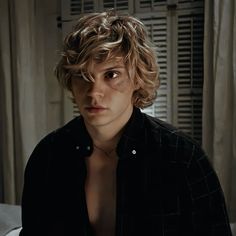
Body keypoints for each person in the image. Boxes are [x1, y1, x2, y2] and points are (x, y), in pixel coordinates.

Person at [20, 11, 232, 236]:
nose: (94, 92)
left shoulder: (182, 157)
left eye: (111, 75)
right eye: (82, 75)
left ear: (138, 78)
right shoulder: (48, 155)